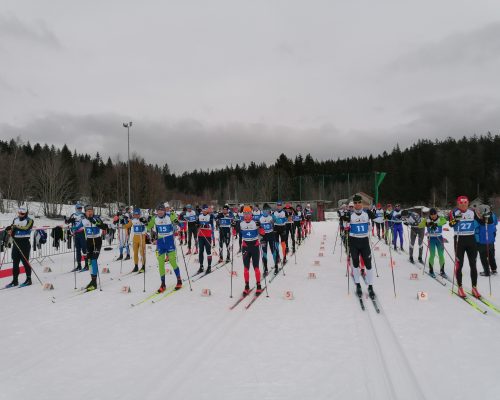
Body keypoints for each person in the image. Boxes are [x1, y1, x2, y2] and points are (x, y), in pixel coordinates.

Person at [342, 194, 376, 299]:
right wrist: (345, 221)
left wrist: (385, 217)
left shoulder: (367, 213)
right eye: (355, 203)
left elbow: (378, 220)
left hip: (364, 241)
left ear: (362, 203)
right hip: (354, 241)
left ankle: (370, 286)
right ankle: (358, 285)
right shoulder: (350, 214)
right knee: (355, 263)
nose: (357, 205)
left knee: (368, 264)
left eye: (359, 203)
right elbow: (345, 227)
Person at [449, 195, 480, 298]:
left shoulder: (472, 212)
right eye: (461, 203)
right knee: (459, 264)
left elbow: (482, 221)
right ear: (458, 203)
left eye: (465, 202)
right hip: (459, 240)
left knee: (473, 264)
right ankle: (460, 287)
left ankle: (474, 287)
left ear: (468, 203)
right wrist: (456, 219)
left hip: (471, 240)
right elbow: (451, 224)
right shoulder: (453, 212)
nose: (463, 204)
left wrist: (486, 217)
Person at [146, 203, 182, 292]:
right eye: (158, 211)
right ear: (157, 212)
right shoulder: (155, 218)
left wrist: (177, 222)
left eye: (162, 211)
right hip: (160, 243)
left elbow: (177, 221)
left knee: (173, 262)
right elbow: (148, 226)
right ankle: (163, 284)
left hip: (169, 241)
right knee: (161, 263)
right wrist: (145, 221)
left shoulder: (169, 216)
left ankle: (179, 280)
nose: (160, 212)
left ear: (164, 211)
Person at [71, 205, 108, 291]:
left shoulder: (96, 218)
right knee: (89, 261)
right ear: (86, 212)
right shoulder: (83, 220)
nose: (90, 212)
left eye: (91, 211)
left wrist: (95, 222)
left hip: (97, 241)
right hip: (89, 242)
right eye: (88, 211)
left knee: (94, 260)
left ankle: (94, 283)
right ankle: (92, 280)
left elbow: (104, 227)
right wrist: (73, 229)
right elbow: (77, 227)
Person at [5, 206, 34, 288]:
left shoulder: (30, 220)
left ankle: (28, 279)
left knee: (25, 261)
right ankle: (15, 280)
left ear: (25, 213)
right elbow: (13, 230)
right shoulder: (15, 219)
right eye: (19, 213)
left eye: (22, 213)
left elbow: (26, 228)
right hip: (16, 242)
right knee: (15, 262)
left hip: (24, 243)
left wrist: (15, 227)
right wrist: (9, 230)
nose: (20, 215)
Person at [240, 206, 263, 296]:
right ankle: (247, 286)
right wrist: (233, 226)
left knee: (256, 267)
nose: (246, 215)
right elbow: (236, 233)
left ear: (251, 214)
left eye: (248, 213)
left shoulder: (255, 222)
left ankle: (258, 285)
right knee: (246, 268)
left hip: (255, 246)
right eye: (245, 213)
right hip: (245, 246)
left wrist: (260, 227)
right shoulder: (241, 223)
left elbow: (262, 233)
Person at [475, 205, 498, 276]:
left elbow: (475, 228)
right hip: (490, 240)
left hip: (481, 241)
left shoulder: (476, 219)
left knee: (483, 256)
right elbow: (496, 223)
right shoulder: (492, 215)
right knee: (491, 255)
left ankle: (486, 271)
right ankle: (494, 269)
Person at [123, 208, 148, 273]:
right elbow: (127, 226)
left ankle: (143, 266)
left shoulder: (142, 219)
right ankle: (136, 266)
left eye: (137, 214)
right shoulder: (132, 220)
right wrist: (123, 223)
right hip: (135, 237)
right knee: (135, 253)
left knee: (142, 252)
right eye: (135, 214)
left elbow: (147, 224)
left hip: (141, 236)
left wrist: (145, 222)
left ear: (140, 214)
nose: (136, 216)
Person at [425, 208, 448, 278]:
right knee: (432, 254)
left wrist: (436, 224)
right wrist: (430, 225)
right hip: (431, 239)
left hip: (439, 238)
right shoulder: (427, 219)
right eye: (431, 215)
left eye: (434, 214)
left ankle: (442, 270)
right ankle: (431, 270)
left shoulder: (440, 218)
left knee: (441, 255)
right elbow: (427, 225)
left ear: (436, 214)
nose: (433, 216)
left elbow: (444, 221)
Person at [65, 203, 87, 271]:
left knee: (84, 249)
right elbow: (67, 222)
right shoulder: (73, 215)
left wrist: (77, 226)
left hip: (82, 233)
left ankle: (86, 265)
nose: (80, 209)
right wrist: (66, 220)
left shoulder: (83, 215)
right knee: (77, 250)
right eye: (78, 208)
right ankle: (79, 265)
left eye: (80, 208)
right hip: (76, 234)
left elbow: (84, 222)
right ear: (76, 208)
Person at [196, 204, 215, 274]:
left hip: (207, 236)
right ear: (202, 210)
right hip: (200, 235)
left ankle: (209, 267)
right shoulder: (200, 216)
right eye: (203, 210)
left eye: (206, 210)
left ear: (207, 210)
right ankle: (201, 266)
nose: (204, 211)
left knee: (208, 251)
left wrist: (203, 225)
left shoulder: (210, 216)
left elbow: (210, 225)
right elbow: (197, 223)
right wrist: (197, 224)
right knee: (201, 251)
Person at [259, 203, 276, 276]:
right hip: (263, 236)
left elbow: (276, 220)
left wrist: (273, 218)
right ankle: (265, 269)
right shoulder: (260, 218)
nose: (267, 212)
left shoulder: (271, 217)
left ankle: (276, 266)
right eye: (265, 210)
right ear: (263, 210)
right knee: (264, 252)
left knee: (273, 251)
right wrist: (260, 234)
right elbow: (258, 227)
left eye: (268, 210)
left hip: (271, 235)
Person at [272, 201, 288, 273]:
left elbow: (287, 219)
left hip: (283, 229)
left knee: (283, 244)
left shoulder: (284, 212)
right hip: (276, 229)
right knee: (276, 245)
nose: (279, 207)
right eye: (278, 205)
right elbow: (272, 220)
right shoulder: (274, 213)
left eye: (280, 205)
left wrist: (281, 220)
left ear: (281, 206)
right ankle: (278, 257)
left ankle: (284, 257)